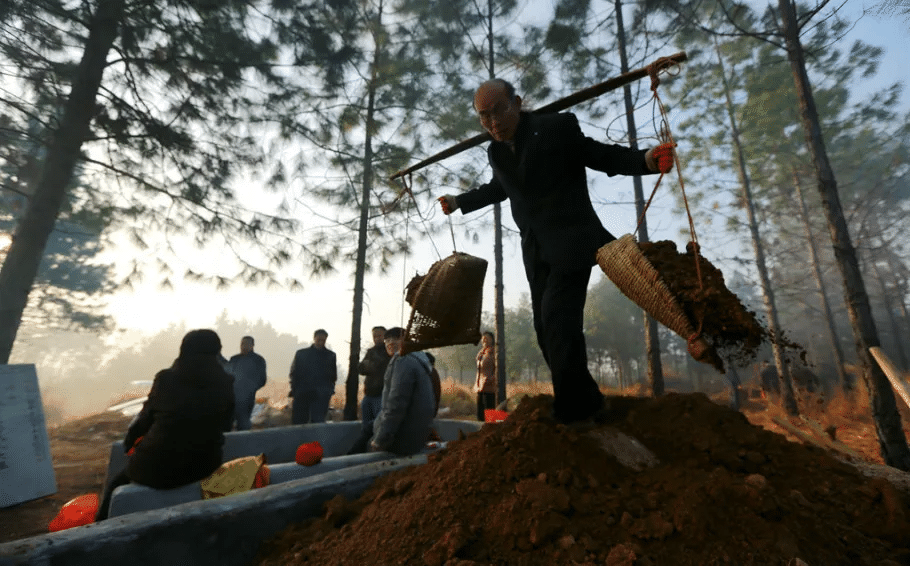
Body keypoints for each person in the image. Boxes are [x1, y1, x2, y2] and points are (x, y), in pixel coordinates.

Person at [438, 78, 675, 424]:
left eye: (499, 111)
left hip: (573, 239)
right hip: (535, 250)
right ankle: (588, 400)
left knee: (558, 319)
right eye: (484, 116)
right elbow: (499, 188)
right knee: (544, 328)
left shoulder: (557, 127)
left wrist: (646, 160)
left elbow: (597, 153)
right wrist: (460, 201)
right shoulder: (497, 150)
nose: (493, 123)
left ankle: (572, 413)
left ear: (517, 103)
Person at [96, 329, 234, 520]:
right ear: (217, 351)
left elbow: (144, 421)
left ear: (184, 350)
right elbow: (226, 425)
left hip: (156, 468)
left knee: (116, 484)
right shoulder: (226, 383)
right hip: (203, 467)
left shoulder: (166, 379)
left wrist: (129, 443)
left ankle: (97, 528)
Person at [369, 327, 437, 456]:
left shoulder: (403, 361)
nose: (389, 343)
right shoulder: (419, 360)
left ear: (403, 340)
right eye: (387, 340)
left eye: (393, 339)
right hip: (418, 434)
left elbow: (396, 403)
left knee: (368, 446)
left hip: (405, 438)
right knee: (368, 428)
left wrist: (379, 440)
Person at [347, 326, 392, 454]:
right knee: (366, 426)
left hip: (381, 394)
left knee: (378, 425)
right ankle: (366, 449)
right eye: (375, 336)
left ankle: (377, 449)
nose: (377, 339)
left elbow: (382, 367)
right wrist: (367, 366)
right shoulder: (370, 352)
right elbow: (361, 368)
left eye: (380, 336)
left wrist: (371, 365)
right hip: (369, 394)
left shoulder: (388, 352)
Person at [289, 329, 337, 424]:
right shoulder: (302, 354)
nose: (321, 342)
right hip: (302, 393)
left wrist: (329, 391)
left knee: (317, 424)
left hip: (321, 395)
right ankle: (300, 439)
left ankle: (314, 439)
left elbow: (333, 376)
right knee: (299, 423)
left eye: (323, 340)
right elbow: (294, 373)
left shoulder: (330, 356)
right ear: (314, 338)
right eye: (319, 339)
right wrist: (295, 390)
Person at [229, 336, 267, 431]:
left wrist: (250, 389)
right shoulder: (234, 359)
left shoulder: (258, 360)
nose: (243, 346)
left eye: (246, 344)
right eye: (242, 344)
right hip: (232, 396)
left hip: (247, 397)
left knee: (243, 423)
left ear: (252, 345)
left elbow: (262, 379)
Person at [475, 331, 496, 421]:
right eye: (483, 339)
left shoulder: (494, 352)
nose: (485, 341)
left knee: (489, 411)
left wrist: (492, 378)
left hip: (490, 385)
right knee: (480, 412)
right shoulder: (481, 352)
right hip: (480, 385)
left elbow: (498, 367)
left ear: (492, 340)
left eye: (487, 339)